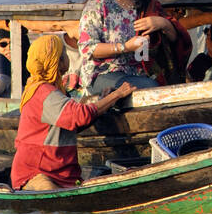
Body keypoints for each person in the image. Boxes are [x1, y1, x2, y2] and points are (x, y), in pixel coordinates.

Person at [12, 35, 136, 190]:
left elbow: (75, 123)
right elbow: (79, 116)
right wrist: (116, 95)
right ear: (55, 61)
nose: (66, 56)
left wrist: (105, 102)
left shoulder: (50, 90)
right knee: (53, 208)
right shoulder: (43, 92)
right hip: (39, 174)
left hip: (62, 174)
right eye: (63, 53)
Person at [77, 0, 190, 93]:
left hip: (141, 72)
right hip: (102, 74)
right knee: (151, 89)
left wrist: (164, 24)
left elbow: (177, 41)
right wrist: (125, 47)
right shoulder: (98, 6)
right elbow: (87, 49)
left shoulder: (146, 4)